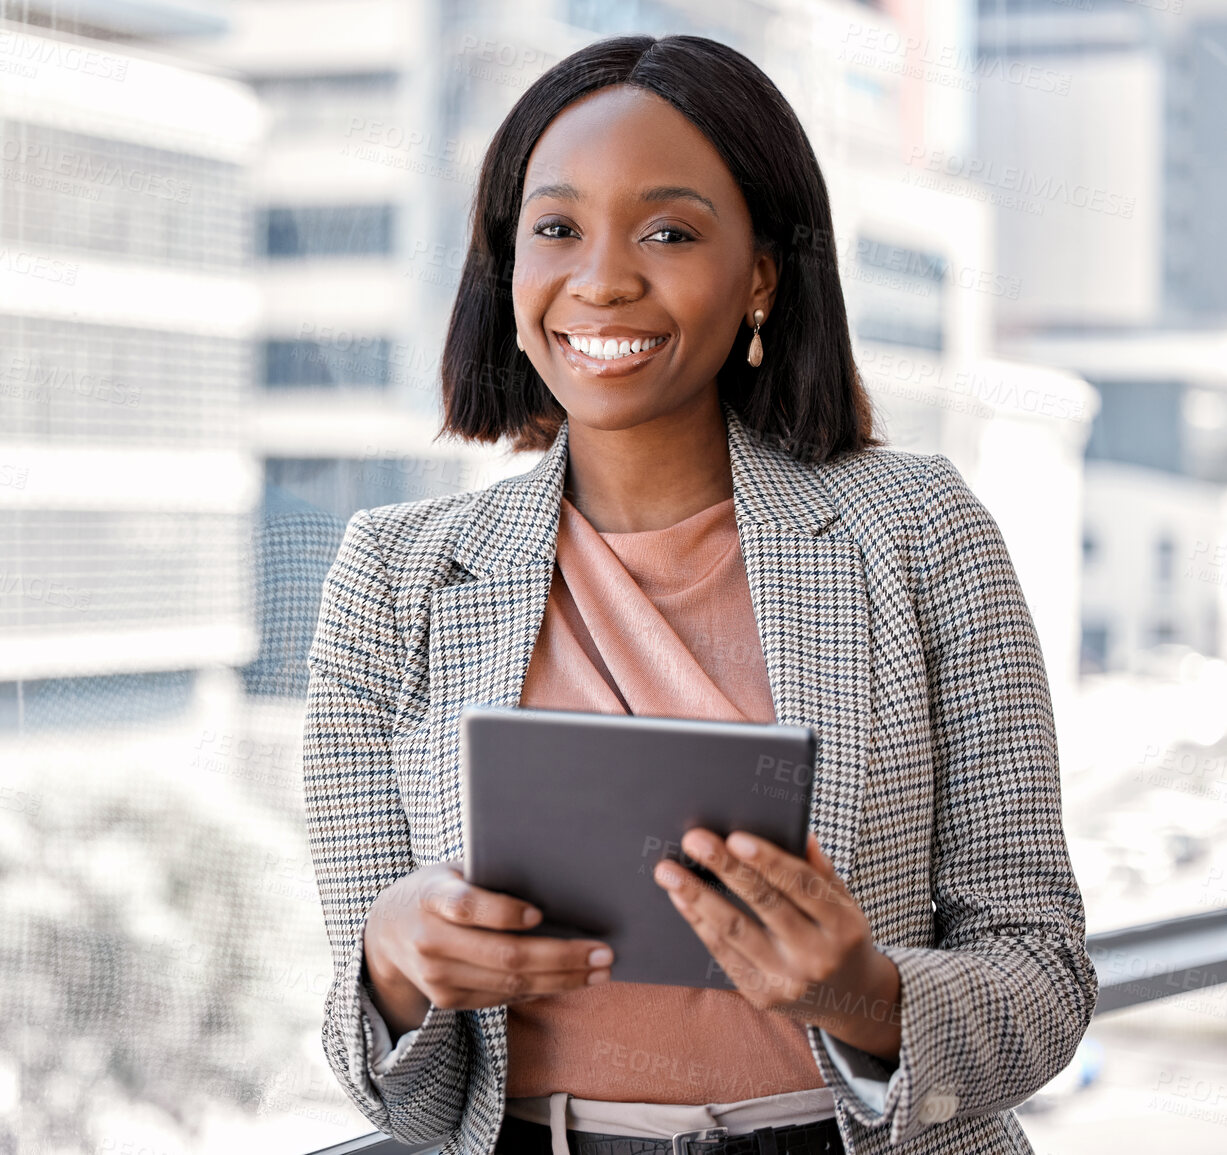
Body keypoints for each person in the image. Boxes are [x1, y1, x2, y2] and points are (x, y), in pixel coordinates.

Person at [299, 33, 1097, 1155]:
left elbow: (1046, 974)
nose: (604, 278)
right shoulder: (394, 578)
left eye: (669, 231)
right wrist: (392, 965)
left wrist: (864, 992)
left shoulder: (919, 533)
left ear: (761, 273)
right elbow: (396, 1096)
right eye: (557, 229)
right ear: (509, 263)